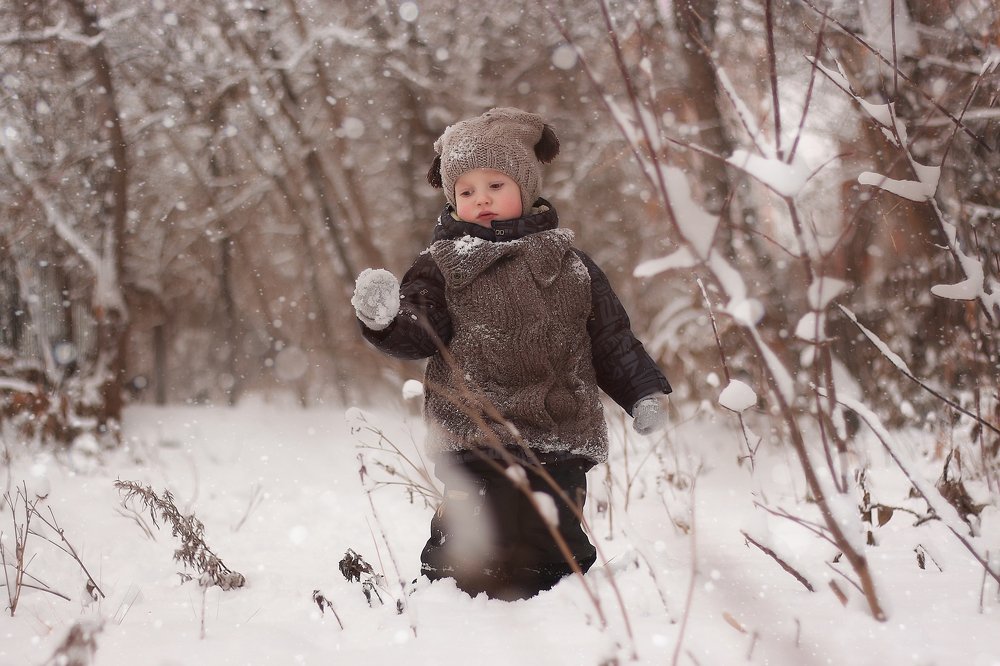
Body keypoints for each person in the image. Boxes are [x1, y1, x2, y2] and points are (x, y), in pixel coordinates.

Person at [352, 107, 671, 601]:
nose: (480, 199)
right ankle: (451, 604)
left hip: (559, 427)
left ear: (525, 186)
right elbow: (421, 336)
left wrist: (642, 390)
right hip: (473, 429)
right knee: (466, 538)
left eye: (494, 185)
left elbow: (610, 337)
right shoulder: (441, 267)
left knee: (551, 539)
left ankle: (561, 605)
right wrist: (386, 319)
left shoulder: (571, 265)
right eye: (466, 190)